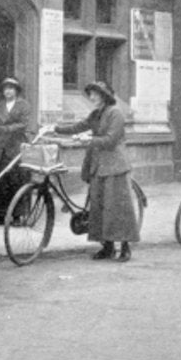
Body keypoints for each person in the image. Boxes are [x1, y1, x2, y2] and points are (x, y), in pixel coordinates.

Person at [42, 81, 140, 262]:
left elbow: (110, 140)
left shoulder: (115, 113)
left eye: (96, 94)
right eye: (91, 94)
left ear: (104, 96)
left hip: (114, 166)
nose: (92, 97)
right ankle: (107, 246)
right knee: (99, 207)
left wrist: (89, 138)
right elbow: (78, 126)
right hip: (98, 166)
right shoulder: (96, 114)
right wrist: (54, 128)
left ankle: (125, 247)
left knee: (118, 208)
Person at [0, 77, 32, 224]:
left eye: (11, 88)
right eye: (5, 89)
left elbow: (23, 124)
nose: (8, 91)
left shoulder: (23, 106)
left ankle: (17, 215)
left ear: (16, 90)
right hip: (0, 147)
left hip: (15, 146)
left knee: (15, 179)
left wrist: (6, 128)